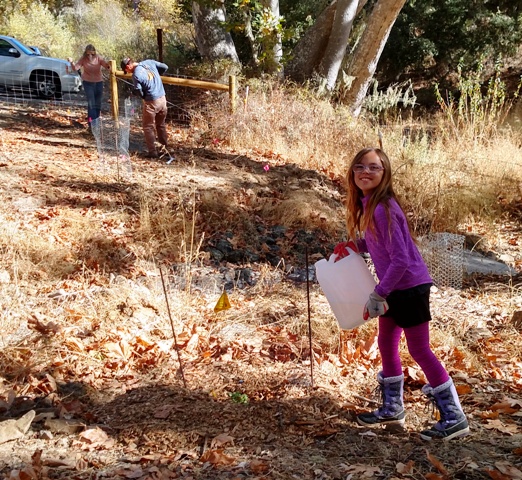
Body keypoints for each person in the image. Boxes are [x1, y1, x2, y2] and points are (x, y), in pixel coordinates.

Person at [334, 147, 469, 441]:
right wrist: (356, 246)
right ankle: (392, 408)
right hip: (393, 287)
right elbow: (381, 245)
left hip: (409, 287)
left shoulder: (384, 208)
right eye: (360, 167)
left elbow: (401, 259)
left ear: (385, 174)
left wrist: (379, 294)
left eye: (373, 167)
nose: (365, 172)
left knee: (420, 350)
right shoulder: (370, 204)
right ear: (352, 172)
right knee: (385, 342)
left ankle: (454, 416)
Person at [120, 57, 169, 158]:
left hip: (151, 101)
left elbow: (139, 91)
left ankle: (153, 152)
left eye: (126, 71)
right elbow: (165, 67)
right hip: (162, 98)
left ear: (128, 66)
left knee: (148, 126)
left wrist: (139, 95)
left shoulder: (136, 75)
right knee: (161, 125)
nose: (128, 72)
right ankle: (164, 149)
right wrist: (157, 77)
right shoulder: (149, 62)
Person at [68, 45, 110, 127]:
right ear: (85, 53)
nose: (90, 56)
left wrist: (110, 65)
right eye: (88, 54)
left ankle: (96, 123)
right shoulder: (83, 59)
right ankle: (92, 124)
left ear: (95, 53)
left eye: (92, 54)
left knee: (98, 104)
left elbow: (106, 66)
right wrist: (71, 62)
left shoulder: (98, 58)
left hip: (99, 83)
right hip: (88, 83)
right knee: (91, 104)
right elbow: (75, 68)